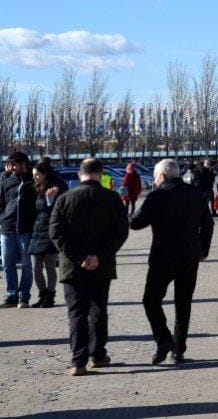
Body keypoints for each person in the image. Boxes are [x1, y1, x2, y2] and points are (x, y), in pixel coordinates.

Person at [49, 158, 130, 377]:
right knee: (98, 311)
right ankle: (98, 355)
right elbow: (121, 232)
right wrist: (99, 256)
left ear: (79, 174)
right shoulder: (112, 199)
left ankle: (78, 361)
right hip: (101, 266)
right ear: (101, 173)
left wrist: (80, 257)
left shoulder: (64, 199)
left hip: (72, 267)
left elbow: (56, 233)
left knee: (76, 313)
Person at [130, 159, 213, 365]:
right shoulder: (195, 193)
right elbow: (208, 223)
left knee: (151, 300)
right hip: (190, 256)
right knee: (183, 303)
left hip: (163, 257)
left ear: (163, 176)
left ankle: (163, 339)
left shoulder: (157, 195)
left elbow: (136, 223)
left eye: (156, 176)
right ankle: (178, 350)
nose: (155, 179)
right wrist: (203, 250)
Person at [29, 161, 67, 308]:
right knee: (35, 267)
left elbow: (59, 212)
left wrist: (50, 202)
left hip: (51, 230)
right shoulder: (36, 187)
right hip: (37, 230)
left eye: (37, 174)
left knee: (50, 266)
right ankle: (42, 294)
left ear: (44, 174)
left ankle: (50, 297)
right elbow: (36, 210)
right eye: (33, 175)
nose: (35, 177)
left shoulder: (56, 188)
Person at [1, 152, 37, 308]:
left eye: (16, 164)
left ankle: (24, 296)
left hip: (26, 229)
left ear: (24, 164)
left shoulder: (33, 182)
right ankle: (12, 295)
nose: (13, 167)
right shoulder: (5, 182)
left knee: (27, 265)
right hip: (6, 228)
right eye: (11, 164)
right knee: (7, 264)